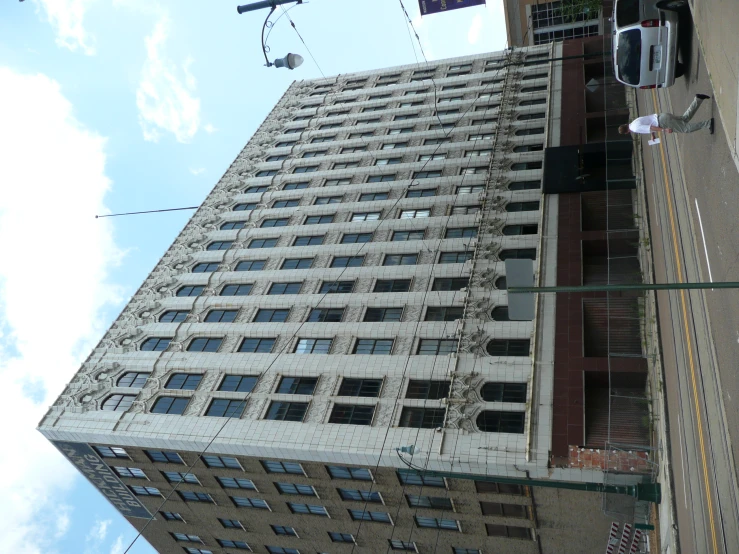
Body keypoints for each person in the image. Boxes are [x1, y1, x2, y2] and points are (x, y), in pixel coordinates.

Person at [618, 94, 714, 137]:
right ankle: (698, 99)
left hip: (663, 123)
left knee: (686, 129)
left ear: (626, 133)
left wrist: (664, 130)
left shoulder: (635, 129)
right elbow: (649, 123)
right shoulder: (634, 122)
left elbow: (650, 126)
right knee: (685, 119)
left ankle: (708, 123)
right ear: (626, 125)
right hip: (662, 116)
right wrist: (652, 134)